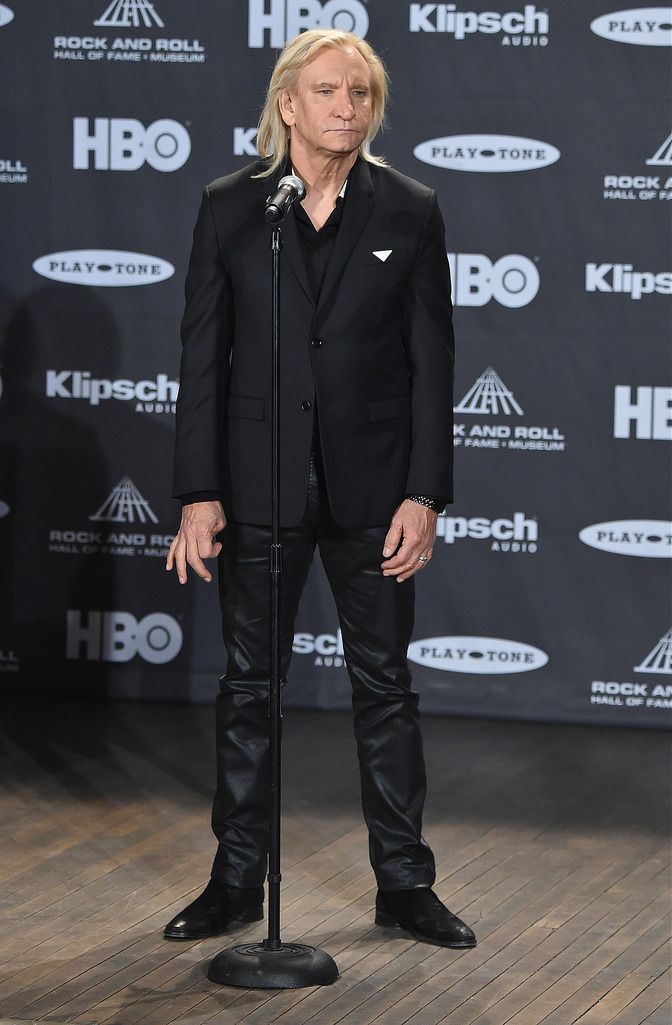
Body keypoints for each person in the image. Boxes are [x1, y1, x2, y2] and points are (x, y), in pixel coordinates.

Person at [164, 28, 475, 951]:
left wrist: (425, 492)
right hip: (257, 489)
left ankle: (405, 884)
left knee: (385, 687)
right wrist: (197, 491)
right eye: (330, 91)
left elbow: (431, 363)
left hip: (373, 493)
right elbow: (202, 360)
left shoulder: (410, 209)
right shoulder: (232, 208)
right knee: (249, 687)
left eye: (362, 93)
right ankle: (233, 880)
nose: (348, 106)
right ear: (288, 105)